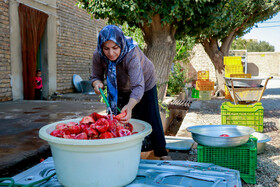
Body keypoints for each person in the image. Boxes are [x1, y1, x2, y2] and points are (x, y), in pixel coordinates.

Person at [90, 25, 171, 160]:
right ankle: (121, 151)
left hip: (144, 83)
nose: (111, 53)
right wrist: (96, 83)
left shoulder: (131, 53)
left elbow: (138, 86)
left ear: (121, 44)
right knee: (115, 118)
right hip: (117, 87)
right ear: (101, 47)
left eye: (115, 48)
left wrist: (130, 106)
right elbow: (95, 76)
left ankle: (162, 153)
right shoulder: (98, 55)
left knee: (151, 116)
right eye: (106, 49)